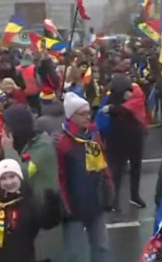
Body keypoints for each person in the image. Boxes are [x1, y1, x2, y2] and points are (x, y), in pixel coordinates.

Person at [56, 92, 114, 262]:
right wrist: (65, 205)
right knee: (74, 254)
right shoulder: (62, 141)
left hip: (96, 202)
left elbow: (102, 166)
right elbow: (59, 176)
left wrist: (109, 188)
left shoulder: (93, 135)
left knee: (102, 247)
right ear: (71, 116)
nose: (88, 117)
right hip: (73, 207)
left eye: (89, 112)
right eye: (83, 113)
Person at [1, 104, 63, 262]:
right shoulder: (25, 143)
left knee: (46, 254)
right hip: (30, 209)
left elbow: (21, 175)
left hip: (45, 210)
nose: (3, 131)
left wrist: (8, 150)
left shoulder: (42, 147)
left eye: (7, 127)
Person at [101, 74, 146, 210]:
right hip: (118, 138)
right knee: (117, 169)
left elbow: (126, 109)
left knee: (135, 167)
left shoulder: (135, 93)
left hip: (134, 136)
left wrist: (113, 109)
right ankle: (114, 200)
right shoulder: (111, 98)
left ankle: (134, 195)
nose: (129, 92)